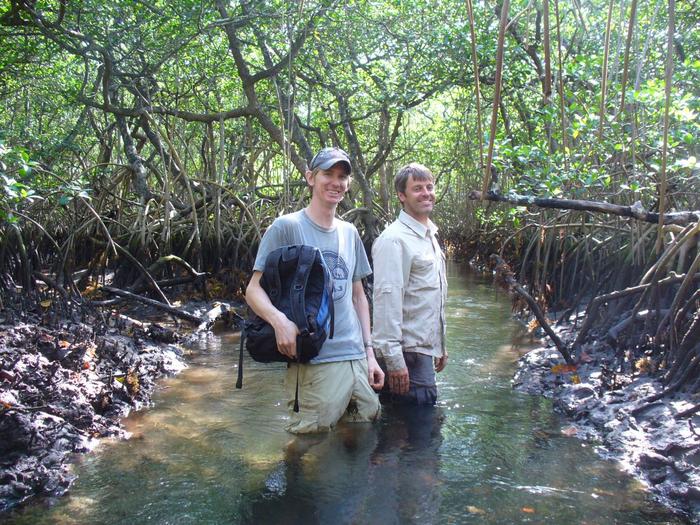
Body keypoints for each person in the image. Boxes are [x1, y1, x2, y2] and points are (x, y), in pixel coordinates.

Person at [245, 146, 385, 433]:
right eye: (328, 174)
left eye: (342, 176)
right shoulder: (286, 227)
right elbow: (253, 290)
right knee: (309, 447)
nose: (336, 182)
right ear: (310, 177)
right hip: (315, 362)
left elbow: (358, 295)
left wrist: (369, 354)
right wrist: (279, 321)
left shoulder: (350, 232)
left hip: (355, 358)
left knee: (360, 436)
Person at [371, 162, 448, 405]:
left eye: (429, 186)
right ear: (401, 196)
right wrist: (394, 362)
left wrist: (440, 345)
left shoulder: (429, 236)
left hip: (423, 351)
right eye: (417, 188)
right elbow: (387, 302)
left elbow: (428, 298)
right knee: (415, 434)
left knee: (417, 432)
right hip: (407, 356)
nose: (426, 193)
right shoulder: (394, 240)